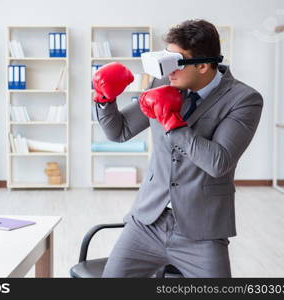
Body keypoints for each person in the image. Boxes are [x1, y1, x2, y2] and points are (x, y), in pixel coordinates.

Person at [92, 19, 263, 278]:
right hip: (147, 222)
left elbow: (218, 162)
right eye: (166, 59)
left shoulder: (244, 100)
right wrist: (105, 99)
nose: (167, 70)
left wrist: (173, 124)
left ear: (203, 65)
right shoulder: (162, 84)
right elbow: (119, 132)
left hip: (202, 230)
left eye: (176, 62)